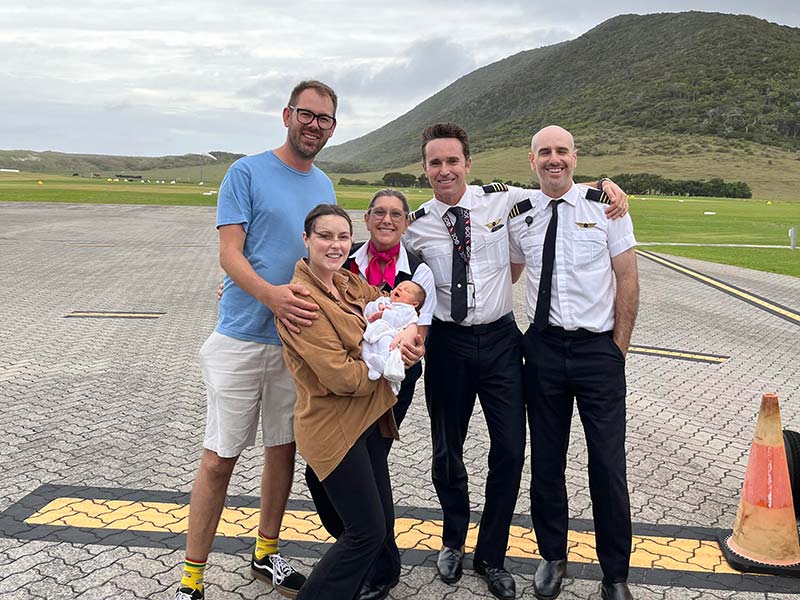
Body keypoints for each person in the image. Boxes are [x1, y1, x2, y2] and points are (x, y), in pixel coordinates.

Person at [402, 122, 628, 600]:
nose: (445, 169)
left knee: (510, 450)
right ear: (424, 170)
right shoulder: (415, 224)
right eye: (435, 162)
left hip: (503, 341)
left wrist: (607, 184)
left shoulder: (502, 201)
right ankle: (451, 540)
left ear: (468, 163)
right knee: (447, 448)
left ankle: (491, 556)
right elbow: (389, 269)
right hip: (447, 343)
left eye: (453, 160)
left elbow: (557, 182)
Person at [175, 80, 339, 600]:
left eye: (325, 119)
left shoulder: (325, 186)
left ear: (333, 128)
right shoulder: (245, 172)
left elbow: (328, 262)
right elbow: (231, 253)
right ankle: (191, 581)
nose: (314, 126)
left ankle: (266, 555)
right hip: (243, 338)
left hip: (298, 343)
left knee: (282, 451)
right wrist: (270, 295)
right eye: (307, 115)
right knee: (220, 459)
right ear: (287, 114)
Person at [508, 126, 639, 600]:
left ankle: (615, 573)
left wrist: (617, 349)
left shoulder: (605, 206)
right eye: (544, 152)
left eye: (561, 151)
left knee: (607, 463)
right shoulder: (520, 211)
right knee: (546, 461)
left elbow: (627, 278)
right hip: (541, 349)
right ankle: (552, 555)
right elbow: (506, 257)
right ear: (532, 161)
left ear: (575, 157)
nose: (554, 159)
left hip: (596, 351)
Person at [277, 204, 419, 600]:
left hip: (368, 421)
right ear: (306, 240)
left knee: (378, 520)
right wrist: (387, 368)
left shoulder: (345, 283)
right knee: (366, 531)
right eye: (325, 236)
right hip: (334, 428)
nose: (335, 244)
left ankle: (380, 573)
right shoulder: (301, 303)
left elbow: (391, 304)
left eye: (342, 236)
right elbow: (343, 377)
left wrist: (406, 338)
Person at [362, 280, 426, 393]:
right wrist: (378, 306)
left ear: (414, 304)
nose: (400, 289)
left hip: (389, 334)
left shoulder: (408, 310)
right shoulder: (385, 300)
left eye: (406, 290)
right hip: (373, 333)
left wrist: (384, 314)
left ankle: (385, 369)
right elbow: (369, 307)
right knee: (364, 346)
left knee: (387, 346)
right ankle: (372, 366)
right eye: (398, 287)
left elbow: (399, 320)